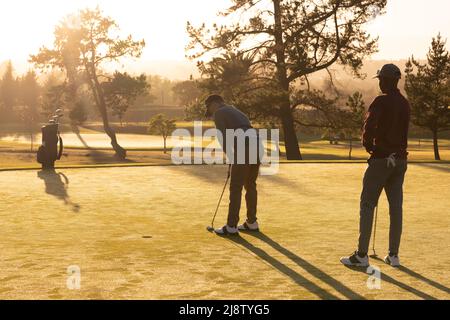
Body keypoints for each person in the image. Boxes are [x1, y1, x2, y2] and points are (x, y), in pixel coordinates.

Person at [341, 64, 411, 267]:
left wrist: (369, 147)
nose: (379, 82)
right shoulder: (405, 103)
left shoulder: (381, 101)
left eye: (381, 79)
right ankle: (393, 255)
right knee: (396, 208)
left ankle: (361, 256)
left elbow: (369, 125)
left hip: (381, 159)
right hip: (400, 161)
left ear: (387, 80)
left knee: (367, 204)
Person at [205, 95, 261, 236]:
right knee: (250, 184)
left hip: (244, 147)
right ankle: (252, 222)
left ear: (215, 103)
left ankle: (231, 226)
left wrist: (231, 158)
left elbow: (223, 138)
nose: (211, 114)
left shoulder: (219, 113)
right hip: (258, 145)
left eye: (209, 109)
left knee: (235, 187)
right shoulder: (236, 111)